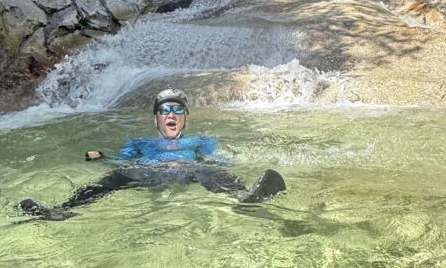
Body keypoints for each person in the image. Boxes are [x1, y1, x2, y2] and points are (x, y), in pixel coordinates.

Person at [18, 91, 286, 220]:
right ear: (155, 119)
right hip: (148, 172)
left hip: (187, 169)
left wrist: (231, 162)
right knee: (114, 176)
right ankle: (61, 210)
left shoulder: (200, 140)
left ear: (186, 118)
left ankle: (245, 196)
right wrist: (103, 157)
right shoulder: (139, 142)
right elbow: (123, 160)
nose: (171, 115)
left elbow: (215, 158)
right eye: (165, 110)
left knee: (209, 171)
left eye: (177, 110)